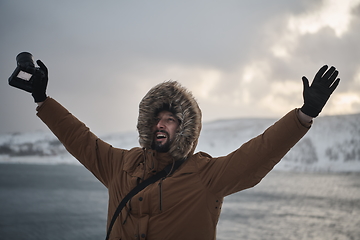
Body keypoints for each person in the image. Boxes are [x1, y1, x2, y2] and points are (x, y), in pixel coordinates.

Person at [24, 60, 339, 239]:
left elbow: (257, 154)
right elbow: (80, 139)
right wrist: (43, 99)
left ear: (184, 128)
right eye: (156, 118)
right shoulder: (120, 165)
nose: (161, 124)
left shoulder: (205, 177)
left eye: (171, 119)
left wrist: (303, 115)